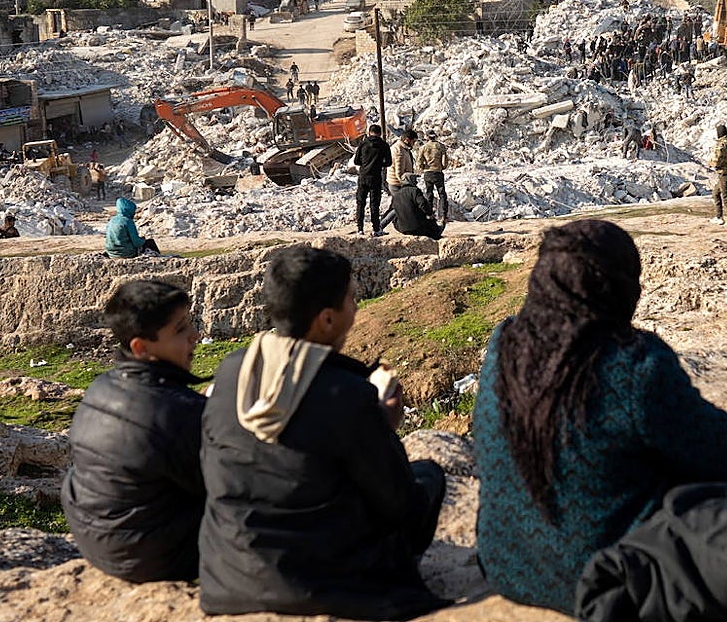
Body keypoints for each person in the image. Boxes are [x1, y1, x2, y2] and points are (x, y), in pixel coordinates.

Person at [473, 220, 727, 614]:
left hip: (508, 569)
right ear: (619, 289)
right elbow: (723, 456)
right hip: (612, 578)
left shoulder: (502, 344)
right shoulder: (633, 363)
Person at [198, 247, 447, 619]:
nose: (356, 308)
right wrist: (383, 428)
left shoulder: (233, 370)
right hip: (324, 582)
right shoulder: (343, 392)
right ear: (327, 319)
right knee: (428, 477)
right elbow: (400, 504)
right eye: (351, 298)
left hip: (229, 575)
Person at [61, 280, 205, 583]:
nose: (195, 336)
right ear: (141, 347)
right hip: (151, 558)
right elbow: (221, 487)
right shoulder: (178, 411)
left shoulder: (102, 386)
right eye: (180, 330)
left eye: (191, 324)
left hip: (94, 541)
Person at [354, 124, 392, 236]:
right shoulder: (384, 145)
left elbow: (356, 161)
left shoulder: (363, 144)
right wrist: (379, 164)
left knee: (360, 203)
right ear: (380, 133)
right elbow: (389, 163)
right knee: (374, 204)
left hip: (363, 176)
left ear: (369, 132)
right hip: (375, 177)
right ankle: (376, 229)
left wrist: (365, 164)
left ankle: (360, 229)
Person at [386, 174, 444, 239]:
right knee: (430, 224)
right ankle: (437, 232)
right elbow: (423, 204)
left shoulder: (396, 195)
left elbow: (393, 210)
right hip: (417, 227)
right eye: (414, 179)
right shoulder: (415, 191)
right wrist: (430, 214)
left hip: (402, 228)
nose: (416, 181)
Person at [414, 130, 449, 224]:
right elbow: (444, 161)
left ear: (427, 137)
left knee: (429, 194)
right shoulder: (441, 146)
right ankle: (443, 216)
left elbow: (419, 162)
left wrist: (423, 168)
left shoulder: (423, 148)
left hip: (428, 173)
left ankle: (429, 214)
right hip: (438, 172)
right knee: (442, 194)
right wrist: (442, 167)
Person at [710, 124, 727, 226]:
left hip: (724, 173)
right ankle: (719, 216)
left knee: (725, 195)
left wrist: (711, 163)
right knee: (716, 193)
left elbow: (717, 160)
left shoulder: (721, 145)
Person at [386, 129, 417, 196]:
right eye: (413, 141)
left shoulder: (403, 148)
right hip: (398, 185)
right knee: (401, 204)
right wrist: (408, 184)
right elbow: (399, 173)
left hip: (398, 183)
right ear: (407, 140)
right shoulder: (399, 151)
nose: (414, 144)